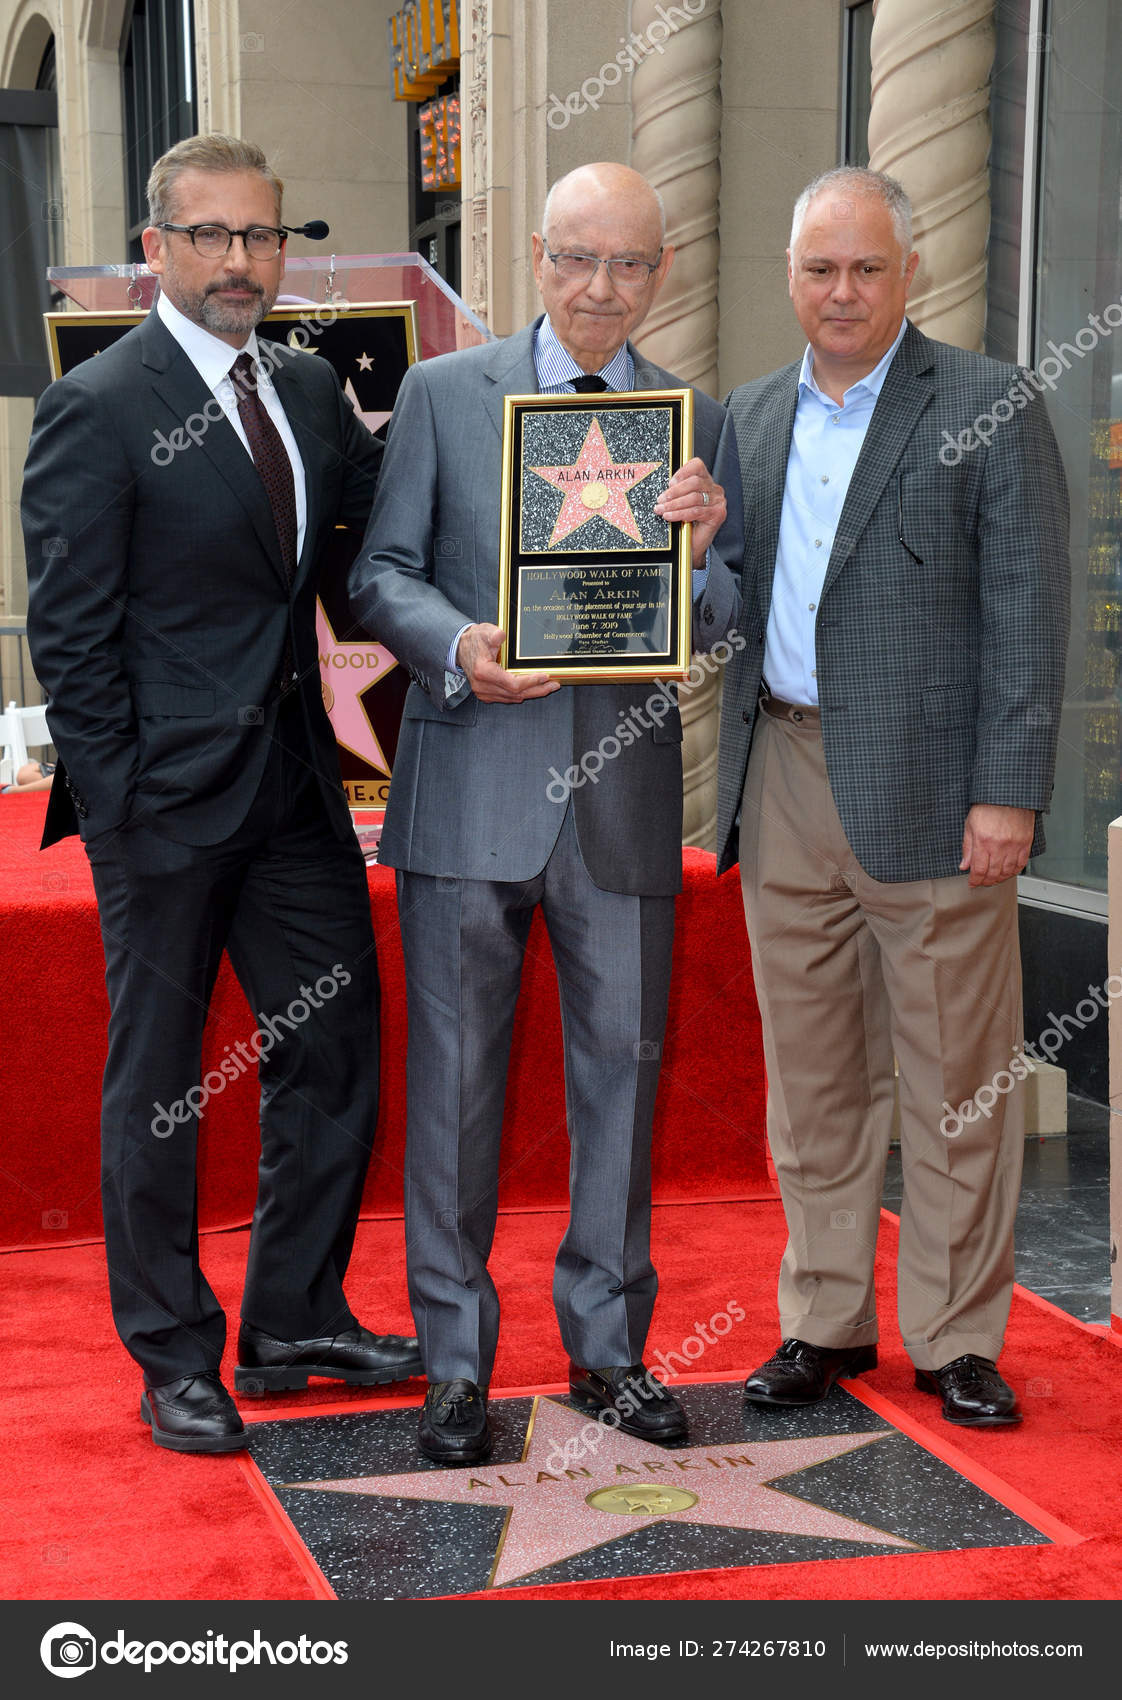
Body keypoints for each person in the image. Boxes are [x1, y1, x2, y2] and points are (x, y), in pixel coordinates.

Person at [23, 134, 421, 1454]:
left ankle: (294, 1317)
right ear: (156, 251)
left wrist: (580, 524)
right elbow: (68, 635)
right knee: (160, 1083)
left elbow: (378, 549)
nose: (243, 260)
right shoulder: (102, 404)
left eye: (263, 235)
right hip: (164, 811)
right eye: (212, 236)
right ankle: (172, 1354)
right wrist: (123, 807)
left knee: (337, 1043)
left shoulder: (308, 393)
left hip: (297, 792)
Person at [349, 162, 742, 1464]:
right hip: (469, 794)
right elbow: (380, 574)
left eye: (628, 264)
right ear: (534, 256)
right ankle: (454, 1366)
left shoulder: (686, 416)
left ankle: (609, 1351)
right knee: (453, 1099)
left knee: (619, 1092)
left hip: (623, 805)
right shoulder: (442, 394)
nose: (599, 288)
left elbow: (722, 607)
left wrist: (696, 553)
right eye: (578, 258)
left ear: (660, 271)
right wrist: (459, 644)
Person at [716, 166, 1070, 1427]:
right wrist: (690, 545)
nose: (844, 290)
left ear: (909, 272)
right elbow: (727, 608)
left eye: (867, 267)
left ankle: (958, 1335)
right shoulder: (744, 419)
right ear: (791, 277)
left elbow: (1029, 610)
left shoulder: (985, 402)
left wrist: (1008, 792)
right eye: (821, 268)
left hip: (936, 796)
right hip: (786, 777)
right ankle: (824, 1319)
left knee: (956, 1081)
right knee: (811, 1084)